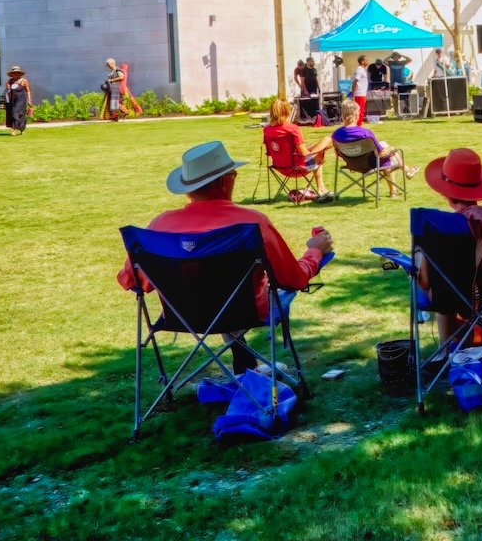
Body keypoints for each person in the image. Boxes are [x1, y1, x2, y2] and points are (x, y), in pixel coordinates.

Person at [118, 141, 333, 371]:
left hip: (183, 315)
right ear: (224, 181)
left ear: (188, 188)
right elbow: (293, 279)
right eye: (234, 174)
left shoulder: (159, 227)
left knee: (213, 286)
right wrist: (315, 251)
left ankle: (244, 360)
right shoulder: (251, 223)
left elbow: (130, 280)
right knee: (237, 291)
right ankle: (246, 363)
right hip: (245, 312)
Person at [420, 147, 482, 347]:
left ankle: (445, 349)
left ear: (446, 194)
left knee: (442, 289)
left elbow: (425, 279)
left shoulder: (436, 229)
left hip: (449, 296)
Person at [306, 110, 405, 197]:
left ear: (342, 117)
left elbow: (337, 154)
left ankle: (404, 171)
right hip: (370, 165)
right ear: (357, 115)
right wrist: (391, 149)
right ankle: (394, 190)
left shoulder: (336, 134)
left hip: (351, 165)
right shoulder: (366, 133)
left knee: (386, 153)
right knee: (386, 154)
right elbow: (381, 152)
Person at [265, 98, 328, 193]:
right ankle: (321, 189)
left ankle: (321, 188)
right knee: (322, 147)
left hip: (279, 167)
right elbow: (304, 154)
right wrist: (315, 150)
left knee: (316, 147)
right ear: (287, 111)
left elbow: (270, 152)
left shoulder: (266, 130)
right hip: (299, 168)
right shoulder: (293, 128)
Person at [3, 65, 32, 135]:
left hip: (21, 100)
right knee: (16, 114)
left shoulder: (24, 81)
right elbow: (7, 91)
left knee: (15, 113)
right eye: (14, 73)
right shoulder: (10, 81)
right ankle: (22, 129)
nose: (15, 74)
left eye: (17, 73)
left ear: (20, 74)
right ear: (12, 74)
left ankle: (14, 130)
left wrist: (29, 101)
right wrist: (7, 87)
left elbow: (28, 91)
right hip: (12, 100)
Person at [352, 55, 370, 123]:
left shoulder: (362, 70)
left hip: (362, 94)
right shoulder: (360, 70)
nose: (368, 61)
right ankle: (358, 126)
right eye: (366, 60)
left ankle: (358, 125)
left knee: (361, 111)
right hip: (359, 94)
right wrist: (353, 94)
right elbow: (355, 81)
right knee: (359, 111)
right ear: (362, 61)